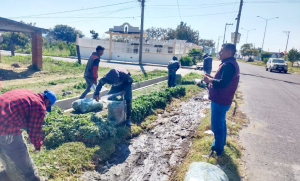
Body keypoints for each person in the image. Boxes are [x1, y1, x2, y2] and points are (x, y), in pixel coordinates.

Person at [0, 89, 57, 181]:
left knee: (4, 154)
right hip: (4, 127)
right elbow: (34, 132)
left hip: (3, 119)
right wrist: (38, 145)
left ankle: (5, 176)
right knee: (21, 156)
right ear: (46, 102)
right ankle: (33, 179)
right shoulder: (39, 106)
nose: (46, 109)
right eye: (47, 106)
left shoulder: (28, 94)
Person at [203, 43, 240, 157]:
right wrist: (211, 78)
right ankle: (221, 145)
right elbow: (223, 80)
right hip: (223, 99)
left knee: (216, 127)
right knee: (221, 124)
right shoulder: (229, 63)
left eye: (222, 51)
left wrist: (209, 81)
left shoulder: (228, 65)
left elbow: (223, 83)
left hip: (220, 100)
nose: (219, 52)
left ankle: (217, 151)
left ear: (229, 52)